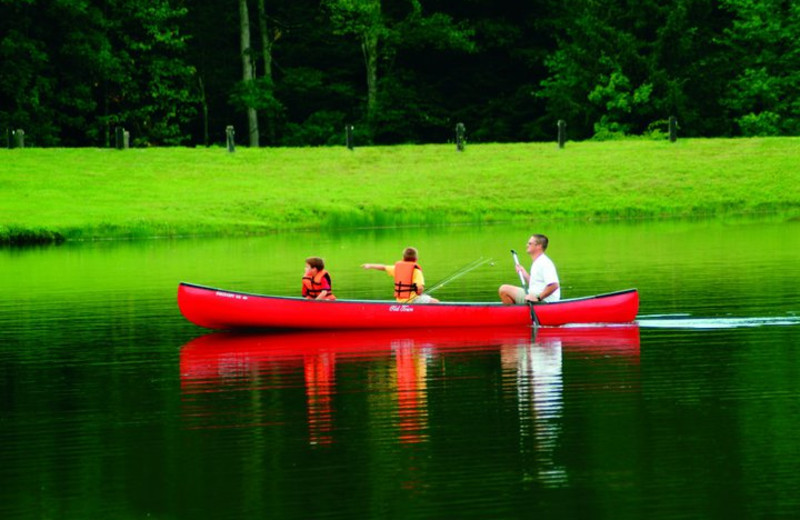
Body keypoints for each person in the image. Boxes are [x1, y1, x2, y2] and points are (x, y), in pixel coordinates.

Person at [362, 247, 440, 304]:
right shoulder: (416, 271)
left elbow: (383, 267)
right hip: (413, 300)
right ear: (416, 258)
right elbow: (420, 288)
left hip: (400, 301)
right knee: (436, 302)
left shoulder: (396, 268)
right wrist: (419, 293)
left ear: (403, 258)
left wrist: (370, 265)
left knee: (425, 297)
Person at [499, 234, 561, 305]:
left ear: (539, 246)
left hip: (545, 301)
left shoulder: (544, 263)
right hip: (535, 297)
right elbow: (535, 285)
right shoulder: (538, 262)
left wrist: (538, 298)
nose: (527, 245)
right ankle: (518, 312)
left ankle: (514, 314)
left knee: (504, 289)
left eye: (530, 243)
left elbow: (554, 285)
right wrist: (524, 273)